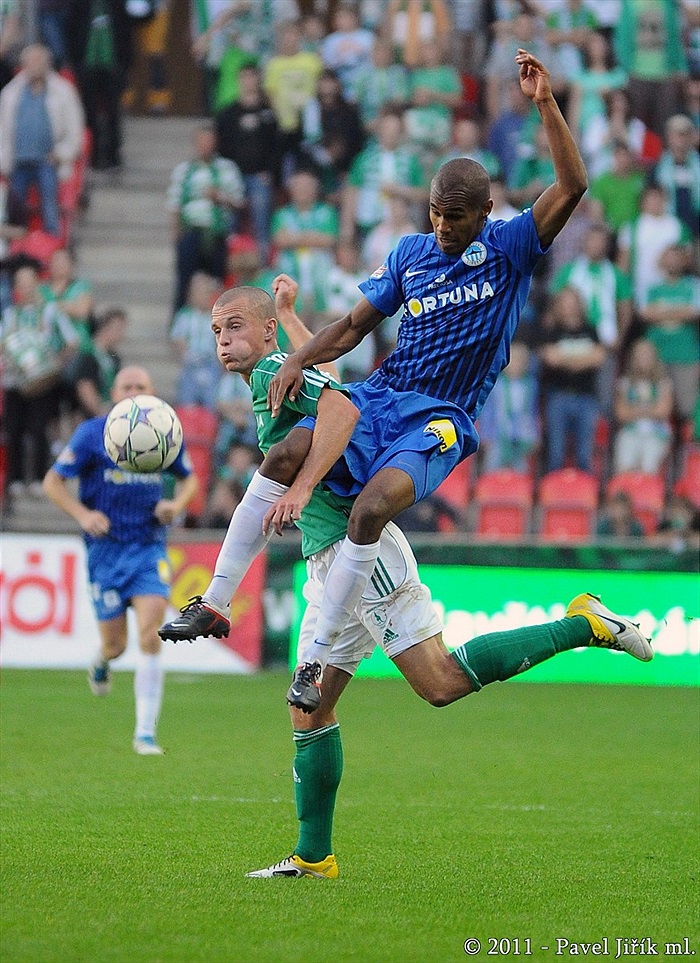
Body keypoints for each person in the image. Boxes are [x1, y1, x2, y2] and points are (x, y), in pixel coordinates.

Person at [161, 277, 652, 880]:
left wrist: (304, 484)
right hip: (331, 561)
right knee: (310, 713)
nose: (222, 340)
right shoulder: (282, 373)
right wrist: (289, 317)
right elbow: (327, 382)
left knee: (440, 682)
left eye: (234, 326)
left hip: (360, 553)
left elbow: (338, 406)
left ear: (262, 335)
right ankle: (314, 857)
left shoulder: (269, 377)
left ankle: (584, 624)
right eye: (215, 331)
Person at [161, 50, 590, 714]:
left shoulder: (509, 248)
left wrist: (545, 104)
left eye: (456, 217)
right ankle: (216, 601)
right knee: (283, 452)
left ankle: (315, 653)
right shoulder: (410, 255)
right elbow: (357, 324)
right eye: (435, 214)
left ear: (483, 213)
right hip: (382, 397)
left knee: (369, 510)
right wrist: (302, 356)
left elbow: (572, 186)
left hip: (440, 416)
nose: (442, 227)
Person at [43, 365, 198, 755]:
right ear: (114, 393)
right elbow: (52, 481)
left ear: (152, 392)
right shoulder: (93, 433)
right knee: (116, 645)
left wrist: (175, 505)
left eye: (140, 386)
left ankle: (145, 732)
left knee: (151, 632)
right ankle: (101, 659)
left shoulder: (165, 428)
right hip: (106, 551)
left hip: (148, 546)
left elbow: (189, 478)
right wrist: (83, 515)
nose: (133, 392)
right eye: (126, 386)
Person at [1, 262, 78, 498]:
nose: (25, 288)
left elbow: (71, 341)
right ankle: (14, 479)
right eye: (20, 284)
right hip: (15, 382)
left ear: (37, 284)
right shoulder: (9, 314)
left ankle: (38, 478)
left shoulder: (50, 312)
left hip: (43, 382)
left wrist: (55, 364)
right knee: (14, 430)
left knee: (39, 429)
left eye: (29, 283)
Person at [0, 42, 84, 237]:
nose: (35, 66)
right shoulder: (10, 93)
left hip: (48, 161)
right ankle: (16, 247)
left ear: (48, 63)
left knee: (49, 204)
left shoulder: (63, 92)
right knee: (14, 209)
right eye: (31, 62)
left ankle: (52, 242)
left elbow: (75, 131)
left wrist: (61, 154)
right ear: (23, 65)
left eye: (39, 61)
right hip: (18, 161)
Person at [167, 121, 245, 317]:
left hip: (217, 232)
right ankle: (180, 324)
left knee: (217, 282)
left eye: (209, 141)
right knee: (185, 281)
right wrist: (177, 234)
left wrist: (219, 197)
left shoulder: (227, 168)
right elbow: (174, 204)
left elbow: (239, 202)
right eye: (201, 141)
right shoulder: (183, 171)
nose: (205, 146)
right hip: (191, 230)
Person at [612, 337, 673, 476]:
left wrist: (635, 410)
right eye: (639, 355)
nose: (643, 358)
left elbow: (663, 412)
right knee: (624, 465)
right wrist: (650, 409)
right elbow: (621, 414)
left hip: (656, 433)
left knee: (648, 465)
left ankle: (647, 494)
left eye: (646, 354)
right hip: (630, 432)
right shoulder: (625, 383)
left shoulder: (663, 383)